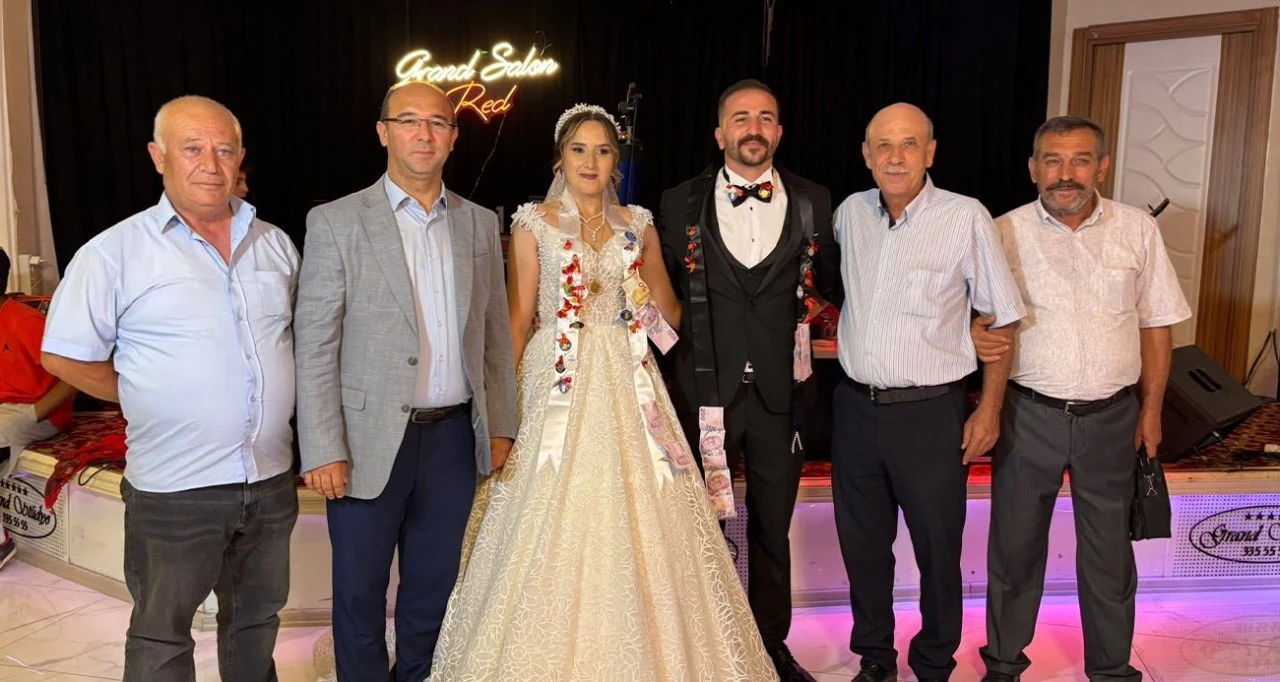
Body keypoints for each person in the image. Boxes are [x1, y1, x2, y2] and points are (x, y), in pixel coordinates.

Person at [428, 103, 778, 682]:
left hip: (627, 374)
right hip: (555, 375)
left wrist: (649, 283)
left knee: (648, 507)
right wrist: (500, 412)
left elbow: (668, 316)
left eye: (603, 150)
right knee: (544, 507)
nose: (590, 162)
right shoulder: (533, 224)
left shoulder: (638, 224)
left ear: (617, 160)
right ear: (560, 159)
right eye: (578, 150)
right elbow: (518, 320)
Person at [41, 95, 300, 682]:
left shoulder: (276, 244)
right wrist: (140, 390)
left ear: (240, 158)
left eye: (224, 150)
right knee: (162, 633)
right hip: (174, 488)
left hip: (268, 479)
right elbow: (63, 353)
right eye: (192, 148)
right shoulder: (114, 252)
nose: (210, 163)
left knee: (257, 620)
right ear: (158, 157)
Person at [292, 81, 517, 682]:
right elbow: (315, 344)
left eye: (438, 123)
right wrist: (323, 446)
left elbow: (495, 336)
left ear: (453, 137)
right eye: (409, 121)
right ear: (383, 132)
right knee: (358, 592)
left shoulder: (476, 223)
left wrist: (500, 426)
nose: (424, 134)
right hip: (364, 442)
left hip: (452, 442)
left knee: (433, 589)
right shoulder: (336, 221)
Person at [976, 116, 1190, 682]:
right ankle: (1003, 665)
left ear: (1102, 166)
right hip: (1028, 414)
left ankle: (1112, 670)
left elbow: (1157, 325)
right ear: (1033, 168)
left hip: (1113, 418)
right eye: (1052, 160)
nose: (1065, 174)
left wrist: (1151, 410)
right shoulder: (1001, 232)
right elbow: (977, 320)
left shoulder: (1137, 230)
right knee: (1014, 551)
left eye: (1079, 160)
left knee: (1110, 555)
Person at [830, 103, 1026, 682]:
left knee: (938, 549)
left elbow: (1003, 318)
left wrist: (989, 410)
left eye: (909, 144)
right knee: (863, 546)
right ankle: (875, 657)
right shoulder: (849, 214)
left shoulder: (965, 217)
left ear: (931, 153)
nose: (896, 158)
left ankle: (935, 661)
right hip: (855, 409)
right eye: (883, 145)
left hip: (931, 414)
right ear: (866, 155)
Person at [658, 79, 838, 682]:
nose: (753, 128)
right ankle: (703, 650)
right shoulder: (678, 201)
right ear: (720, 133)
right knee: (699, 528)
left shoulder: (815, 200)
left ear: (779, 132)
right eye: (740, 118)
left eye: (764, 117)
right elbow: (665, 293)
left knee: (772, 527)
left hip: (782, 396)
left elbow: (826, 285)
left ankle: (769, 648)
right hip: (704, 393)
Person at [0, 246, 78, 569]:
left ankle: (2, 542)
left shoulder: (26, 322)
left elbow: (73, 378)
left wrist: (30, 416)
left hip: (39, 410)